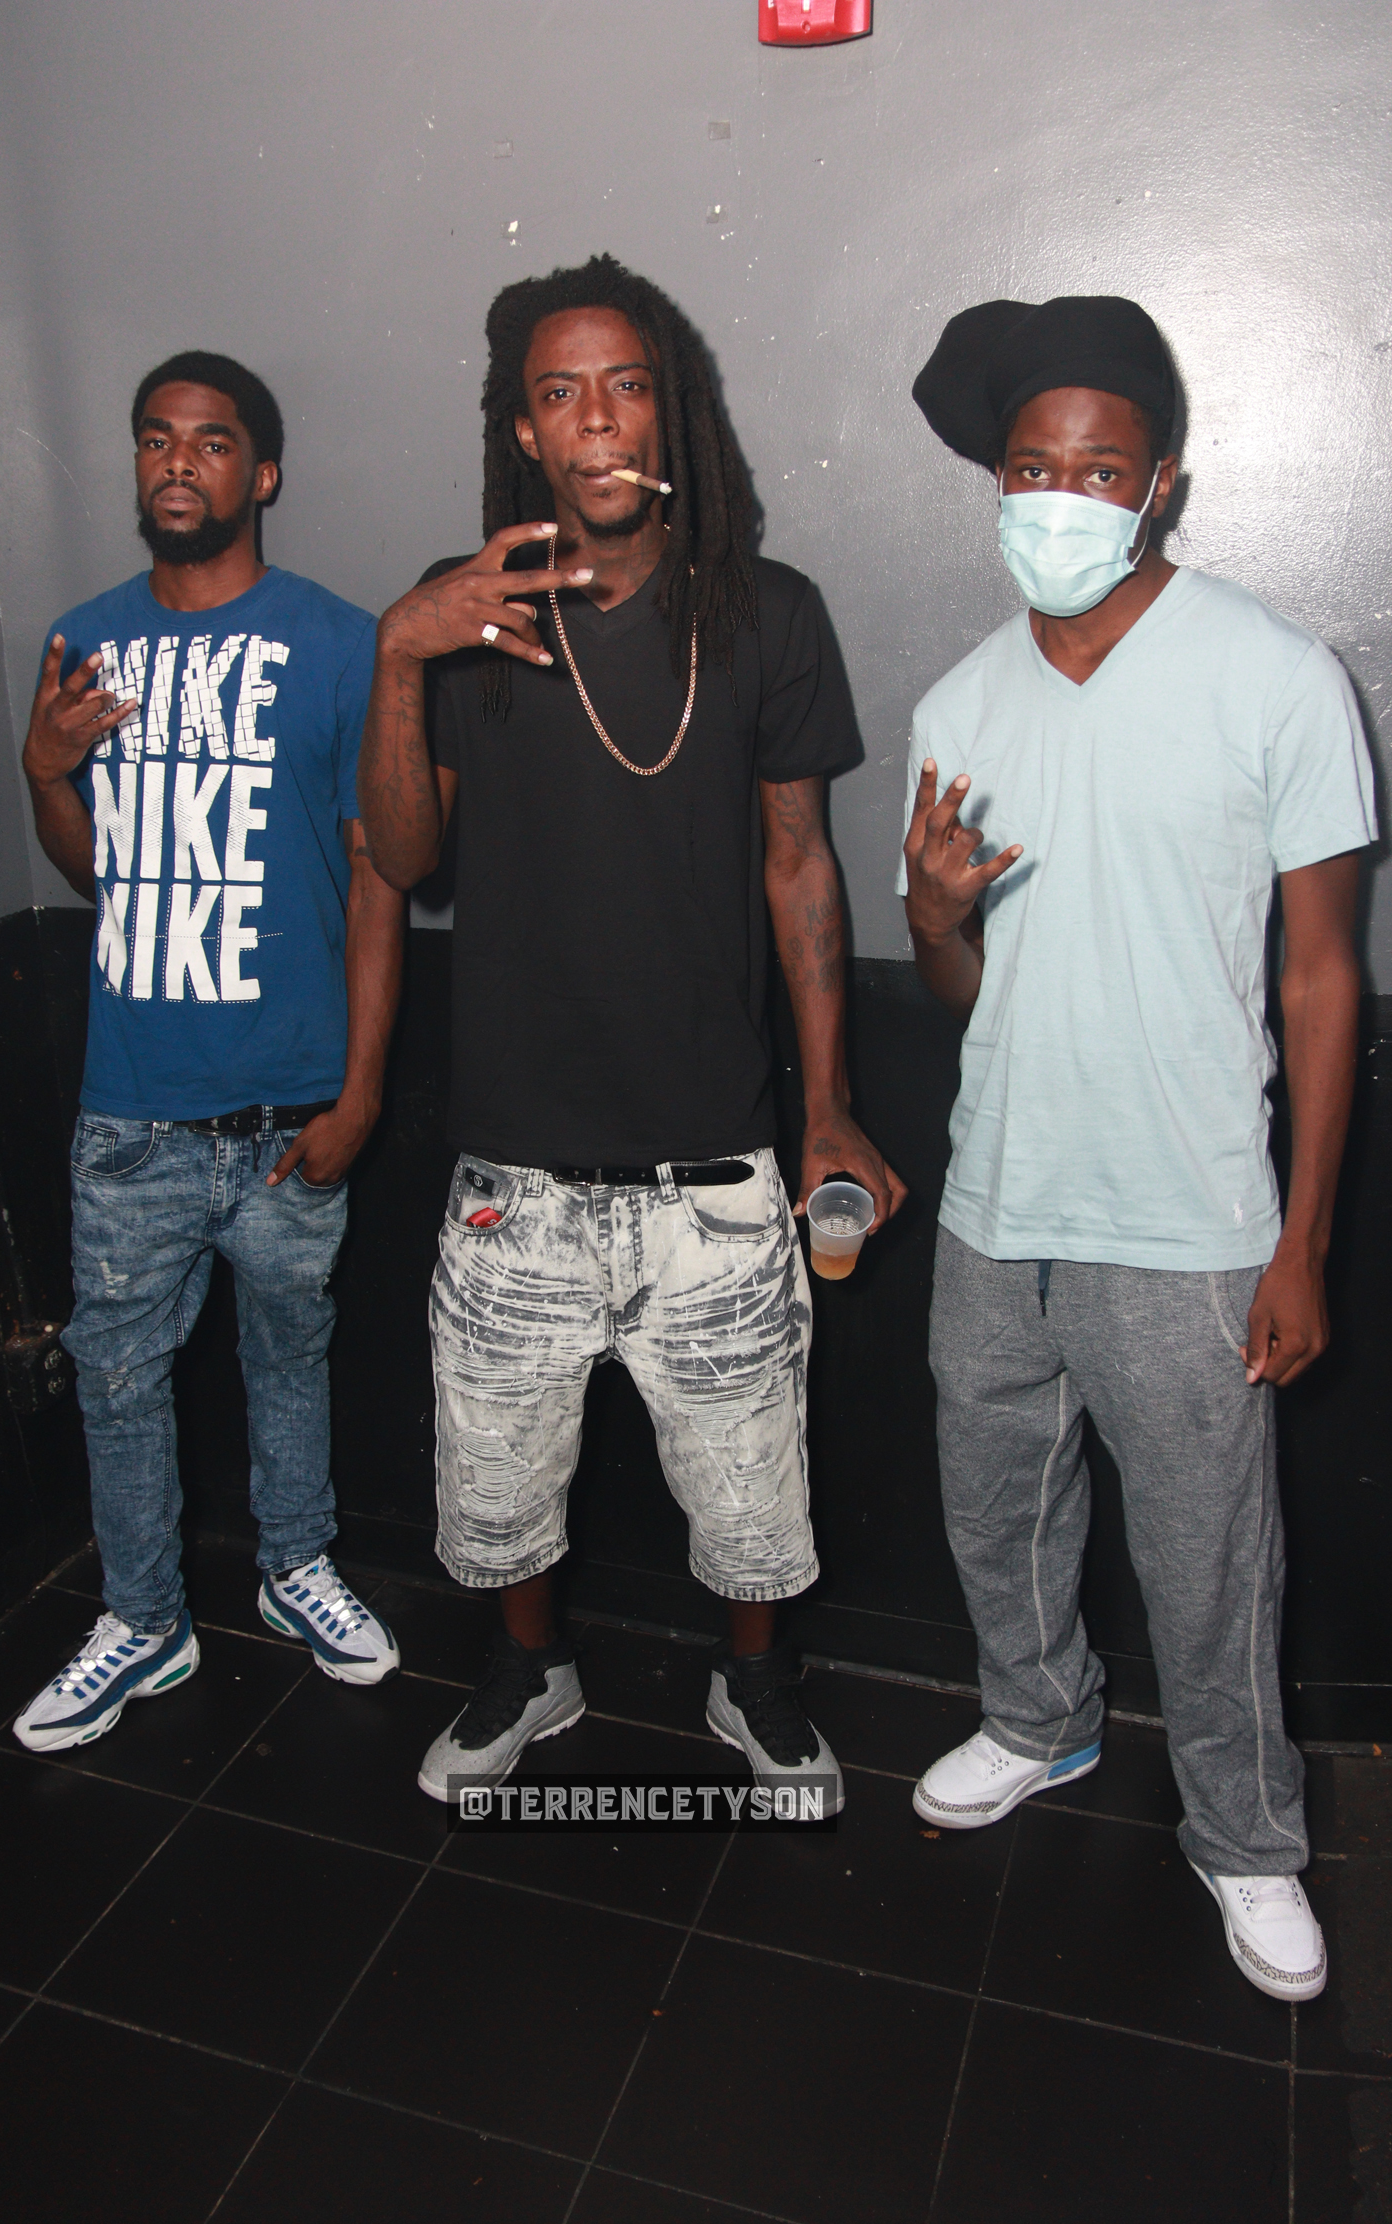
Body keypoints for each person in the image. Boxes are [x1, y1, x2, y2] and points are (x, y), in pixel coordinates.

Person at [359, 254, 905, 1807]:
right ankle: (531, 1669)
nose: (595, 420)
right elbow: (405, 858)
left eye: (625, 386)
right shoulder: (464, 614)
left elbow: (800, 864)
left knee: (751, 1494)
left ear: (671, 413)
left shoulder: (766, 614)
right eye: (560, 392)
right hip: (512, 1165)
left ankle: (756, 1683)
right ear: (522, 430)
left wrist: (828, 1104)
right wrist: (401, 650)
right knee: (502, 1483)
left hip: (712, 1163)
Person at [900, 295, 1375, 2000]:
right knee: (996, 1503)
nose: (1062, 495)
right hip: (996, 1194)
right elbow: (962, 984)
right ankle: (1040, 1719)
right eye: (1033, 466)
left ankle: (1247, 1838)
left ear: (1160, 481)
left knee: (1211, 1557)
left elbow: (1323, 976)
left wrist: (1304, 1237)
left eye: (1099, 468)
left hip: (1189, 1216)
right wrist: (934, 917)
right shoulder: (960, 700)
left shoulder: (1277, 674)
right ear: (999, 482)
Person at [13, 350, 404, 1752]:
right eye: (155, 438)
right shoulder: (83, 641)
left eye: (212, 440)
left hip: (291, 1103)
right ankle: (143, 1618)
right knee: (117, 1379)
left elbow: (379, 883)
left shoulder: (341, 643)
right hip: (133, 1107)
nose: (178, 460)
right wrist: (44, 769)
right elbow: (97, 871)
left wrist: (362, 1090)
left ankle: (296, 1564)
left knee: (291, 1354)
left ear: (263, 472)